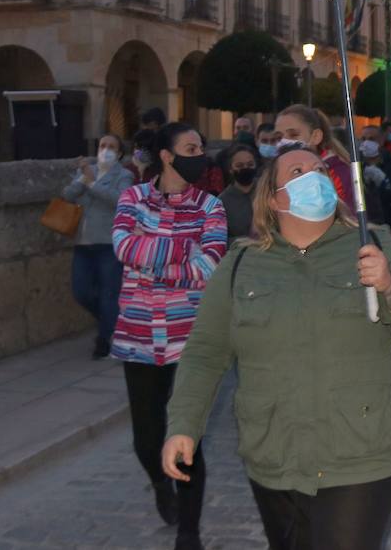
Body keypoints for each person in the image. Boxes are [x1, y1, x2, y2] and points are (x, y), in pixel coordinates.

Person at [163, 145, 391, 550]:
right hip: (274, 455)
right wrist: (183, 425)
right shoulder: (240, 264)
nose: (314, 175)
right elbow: (205, 352)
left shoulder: (376, 244)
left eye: (319, 169)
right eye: (298, 170)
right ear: (275, 198)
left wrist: (389, 287)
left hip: (360, 453)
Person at [111, 122, 227, 550]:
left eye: (201, 146)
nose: (201, 154)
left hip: (188, 338)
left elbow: (210, 265)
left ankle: (189, 531)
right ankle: (160, 483)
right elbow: (123, 247)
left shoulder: (211, 207)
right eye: (191, 147)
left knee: (187, 437)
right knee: (146, 438)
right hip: (139, 336)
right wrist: (182, 246)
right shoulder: (132, 198)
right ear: (166, 154)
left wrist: (155, 251)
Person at [62, 133, 135, 358]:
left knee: (108, 293)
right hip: (83, 242)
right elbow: (68, 195)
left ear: (120, 152)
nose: (105, 149)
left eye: (111, 146)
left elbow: (119, 200)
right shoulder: (87, 171)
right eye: (103, 145)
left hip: (107, 242)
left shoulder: (124, 175)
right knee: (81, 291)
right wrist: (82, 179)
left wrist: (91, 183)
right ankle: (111, 320)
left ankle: (103, 339)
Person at [278, 105, 356, 212]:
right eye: (278, 136)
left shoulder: (335, 174)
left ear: (315, 137)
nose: (284, 141)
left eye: (293, 135)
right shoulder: (275, 171)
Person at [219, 143, 260, 246]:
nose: (245, 168)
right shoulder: (222, 202)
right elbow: (220, 239)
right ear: (230, 169)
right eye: (239, 166)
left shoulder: (268, 191)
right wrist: (246, 241)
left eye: (250, 164)